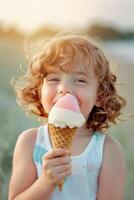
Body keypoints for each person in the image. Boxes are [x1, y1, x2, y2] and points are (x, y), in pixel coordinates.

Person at [8, 33, 126, 200]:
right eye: (54, 79)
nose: (64, 88)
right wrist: (46, 182)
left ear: (99, 96)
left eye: (80, 80)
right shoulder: (30, 142)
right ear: (39, 90)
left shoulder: (108, 151)